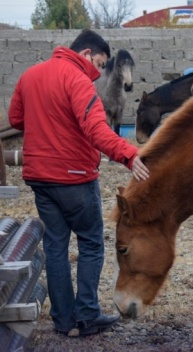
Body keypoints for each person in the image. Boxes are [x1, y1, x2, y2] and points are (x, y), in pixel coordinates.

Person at [8, 29, 149, 337]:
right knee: (90, 242)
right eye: (100, 64)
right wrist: (128, 155)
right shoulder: (78, 81)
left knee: (55, 246)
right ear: (86, 54)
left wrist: (47, 118)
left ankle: (62, 320)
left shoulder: (30, 76)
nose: (99, 72)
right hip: (73, 179)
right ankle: (87, 314)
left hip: (39, 179)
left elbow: (16, 118)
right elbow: (98, 130)